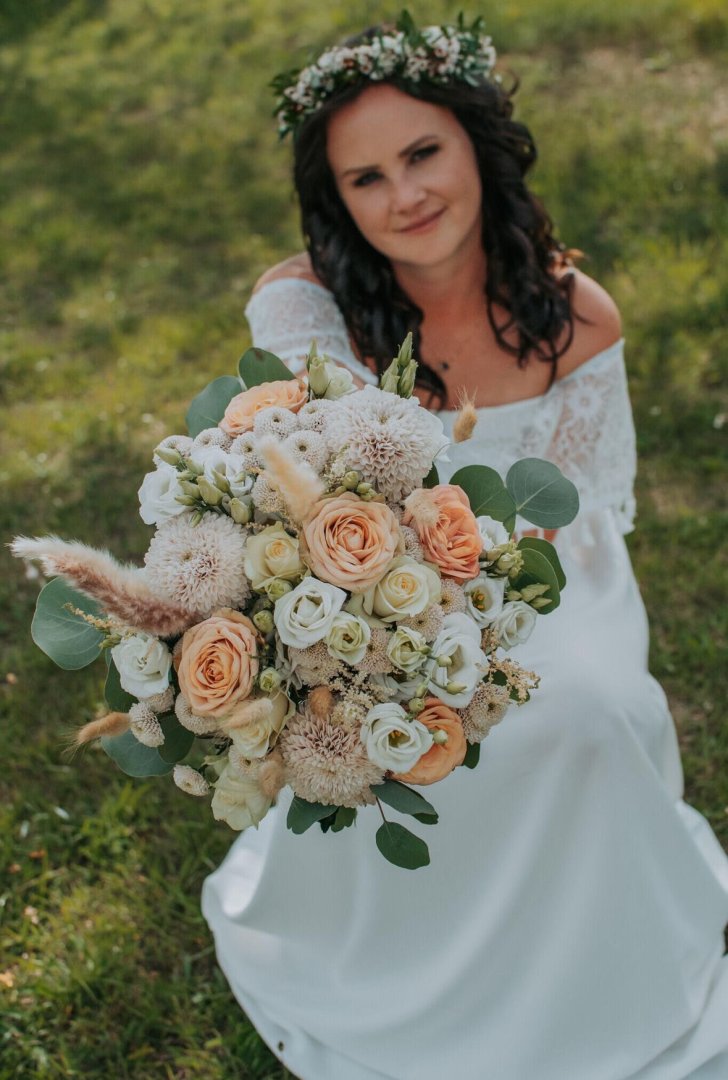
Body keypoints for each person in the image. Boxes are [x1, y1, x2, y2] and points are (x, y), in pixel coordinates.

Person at [202, 18, 728, 1079]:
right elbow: (295, 484)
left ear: (478, 146)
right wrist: (397, 601)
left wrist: (477, 607)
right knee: (375, 704)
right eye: (366, 177)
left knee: (583, 714)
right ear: (336, 198)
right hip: (362, 575)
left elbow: (572, 517)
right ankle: (396, 964)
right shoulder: (303, 305)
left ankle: (585, 976)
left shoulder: (576, 318)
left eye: (422, 153)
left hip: (540, 576)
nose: (404, 195)